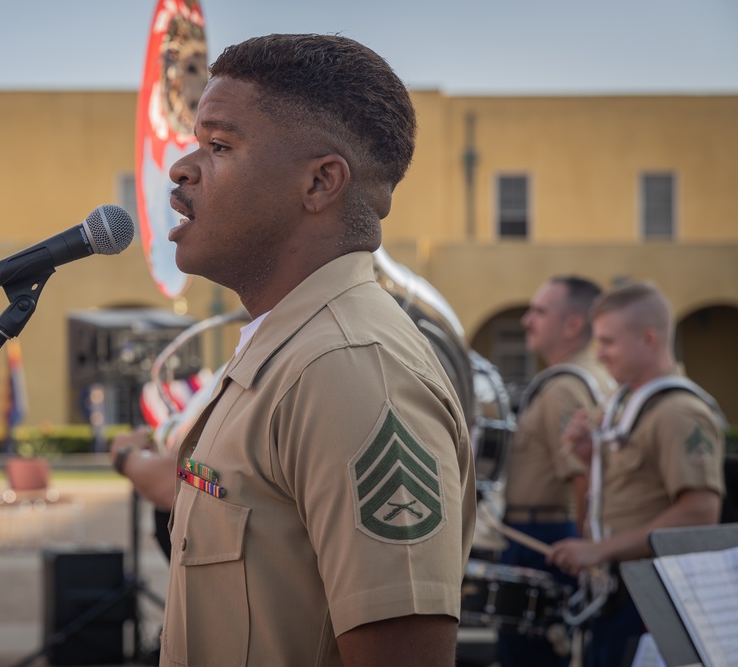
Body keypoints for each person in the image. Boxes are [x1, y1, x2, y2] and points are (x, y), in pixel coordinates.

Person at [159, 34, 476, 666]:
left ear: (320, 182)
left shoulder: (352, 368)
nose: (182, 168)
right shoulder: (288, 349)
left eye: (219, 146)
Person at [548, 281, 725, 667]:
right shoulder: (623, 404)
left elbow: (700, 513)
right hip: (616, 592)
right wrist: (590, 458)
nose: (600, 354)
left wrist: (599, 550)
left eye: (609, 342)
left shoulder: (678, 411)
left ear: (648, 339)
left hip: (652, 600)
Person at [496, 276, 613, 667]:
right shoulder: (574, 379)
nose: (527, 320)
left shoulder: (564, 387)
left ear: (573, 325)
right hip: (539, 536)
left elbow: (584, 475)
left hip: (545, 541)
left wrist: (587, 553)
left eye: (540, 311)